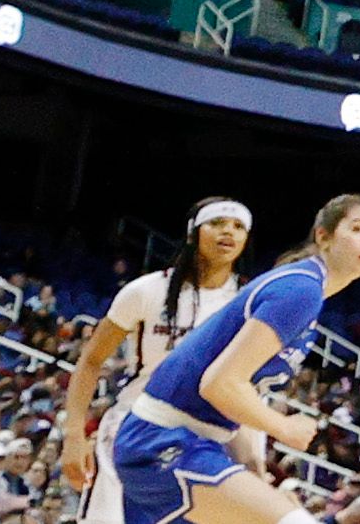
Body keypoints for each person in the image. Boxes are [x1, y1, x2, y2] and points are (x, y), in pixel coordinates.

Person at [108, 195, 360, 524]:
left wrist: (254, 474)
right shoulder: (301, 290)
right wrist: (284, 427)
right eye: (359, 229)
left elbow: (238, 393)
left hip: (184, 441)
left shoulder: (304, 289)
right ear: (323, 236)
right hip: (164, 440)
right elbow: (220, 385)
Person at [58, 200, 257, 524]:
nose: (228, 232)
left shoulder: (249, 302)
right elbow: (91, 360)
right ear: (193, 233)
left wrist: (251, 458)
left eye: (238, 227)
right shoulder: (147, 290)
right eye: (218, 222)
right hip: (133, 427)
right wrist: (73, 435)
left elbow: (248, 385)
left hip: (206, 440)